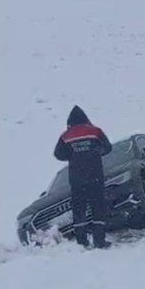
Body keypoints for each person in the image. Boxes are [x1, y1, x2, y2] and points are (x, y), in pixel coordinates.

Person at [54, 106, 113, 249]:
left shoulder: (65, 136)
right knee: (98, 208)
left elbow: (58, 154)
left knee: (79, 209)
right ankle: (99, 240)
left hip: (76, 179)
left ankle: (82, 242)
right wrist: (94, 153)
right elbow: (108, 148)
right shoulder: (95, 131)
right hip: (95, 176)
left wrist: (73, 156)